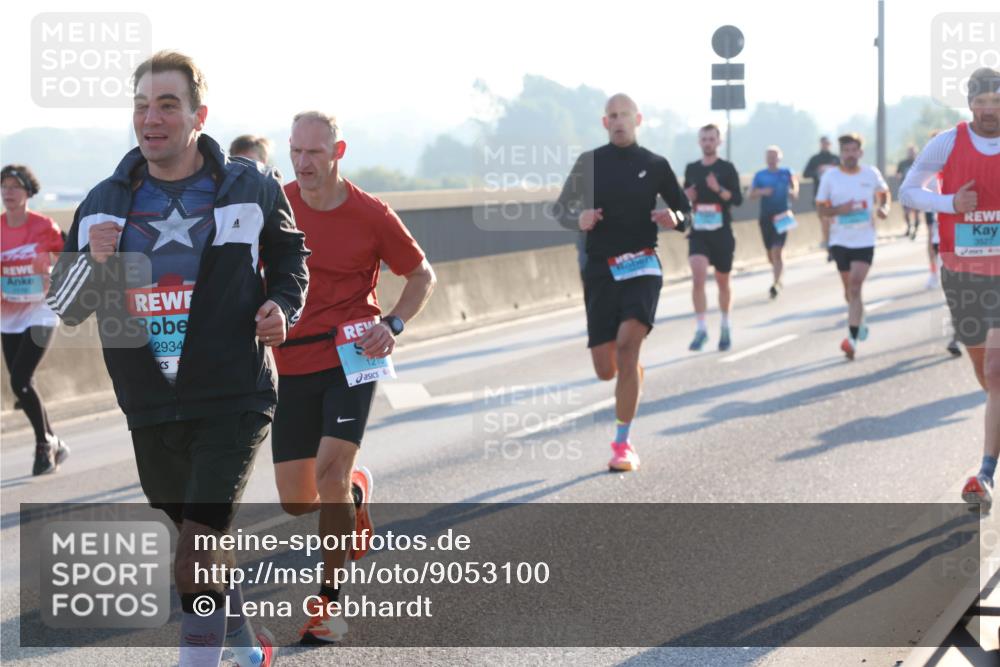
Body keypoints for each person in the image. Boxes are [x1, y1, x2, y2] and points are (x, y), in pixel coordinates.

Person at [45, 50, 309, 667]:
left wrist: (281, 307)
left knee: (195, 548)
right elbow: (66, 304)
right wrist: (95, 260)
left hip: (234, 395)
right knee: (200, 542)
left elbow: (291, 261)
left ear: (198, 116)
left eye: (167, 105)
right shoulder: (103, 202)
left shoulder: (250, 187)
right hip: (150, 403)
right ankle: (247, 648)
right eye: (142, 105)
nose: (151, 118)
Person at [273, 110, 436, 644]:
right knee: (296, 499)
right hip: (292, 360)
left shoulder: (371, 214)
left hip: (354, 353)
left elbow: (421, 275)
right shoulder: (278, 207)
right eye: (295, 151)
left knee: (330, 474)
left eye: (314, 153)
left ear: (338, 153)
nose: (302, 163)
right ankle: (356, 496)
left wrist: (392, 324)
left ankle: (329, 604)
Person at [555, 93, 689, 472]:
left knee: (629, 347)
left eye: (624, 115)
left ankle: (622, 443)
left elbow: (684, 210)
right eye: (612, 116)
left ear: (637, 119)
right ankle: (631, 375)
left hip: (642, 264)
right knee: (606, 368)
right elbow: (561, 209)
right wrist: (578, 219)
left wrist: (675, 218)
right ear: (604, 122)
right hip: (600, 269)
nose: (618, 121)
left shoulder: (655, 165)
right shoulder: (590, 163)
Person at [899, 67, 1000, 511]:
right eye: (981, 101)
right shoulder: (947, 142)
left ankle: (985, 474)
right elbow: (908, 192)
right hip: (962, 271)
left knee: (996, 370)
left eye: (996, 101)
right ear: (970, 102)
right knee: (984, 372)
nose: (989, 110)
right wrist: (950, 203)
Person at [1, 164, 69, 475]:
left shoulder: (44, 226)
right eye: (4, 186)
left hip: (42, 310)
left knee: (19, 379)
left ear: (28, 192)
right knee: (23, 384)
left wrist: (54, 270)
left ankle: (44, 445)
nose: (8, 192)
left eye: (15, 186)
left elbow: (69, 255)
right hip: (9, 313)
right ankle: (54, 441)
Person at [816, 133, 891, 361]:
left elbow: (884, 194)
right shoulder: (830, 177)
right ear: (841, 153)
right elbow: (821, 210)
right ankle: (860, 318)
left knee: (856, 286)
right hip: (840, 240)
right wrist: (841, 210)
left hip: (864, 240)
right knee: (849, 291)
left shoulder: (870, 173)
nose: (849, 155)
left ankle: (852, 339)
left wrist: (884, 208)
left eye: (853, 150)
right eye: (846, 151)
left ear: (860, 152)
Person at [683, 124, 743, 351]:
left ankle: (725, 324)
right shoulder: (691, 169)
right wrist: (686, 196)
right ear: (699, 142)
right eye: (704, 139)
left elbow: (737, 199)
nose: (707, 143)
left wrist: (718, 188)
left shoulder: (727, 168)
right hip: (699, 232)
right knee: (698, 278)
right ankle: (701, 329)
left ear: (719, 142)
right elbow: (684, 200)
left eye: (711, 139)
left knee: (722, 281)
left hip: (722, 232)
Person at [749, 146, 799, 299]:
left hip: (783, 216)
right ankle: (778, 270)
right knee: (770, 253)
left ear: (780, 158)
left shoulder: (787, 172)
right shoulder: (760, 175)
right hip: (766, 217)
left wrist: (793, 192)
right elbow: (750, 195)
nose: (771, 159)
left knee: (777, 250)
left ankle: (776, 283)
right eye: (769, 156)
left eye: (774, 156)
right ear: (765, 158)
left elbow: (795, 185)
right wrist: (762, 191)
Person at [804, 136, 841, 258]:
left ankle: (837, 245)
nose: (825, 145)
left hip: (835, 195)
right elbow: (805, 173)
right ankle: (829, 247)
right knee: (825, 221)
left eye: (827, 143)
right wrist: (817, 172)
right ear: (820, 144)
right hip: (820, 195)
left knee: (835, 222)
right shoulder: (815, 159)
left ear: (830, 144)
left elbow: (844, 172)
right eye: (823, 143)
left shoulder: (835, 158)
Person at [897, 146, 919, 239]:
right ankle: (909, 227)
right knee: (906, 212)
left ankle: (916, 229)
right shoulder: (902, 163)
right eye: (910, 152)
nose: (911, 154)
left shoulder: (919, 162)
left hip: (917, 190)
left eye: (912, 152)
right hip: (906, 191)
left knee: (916, 212)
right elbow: (898, 174)